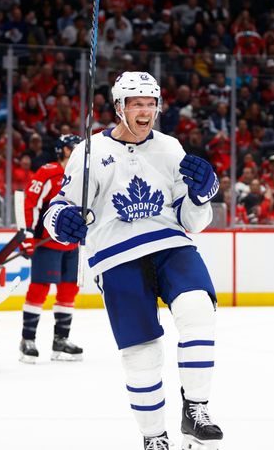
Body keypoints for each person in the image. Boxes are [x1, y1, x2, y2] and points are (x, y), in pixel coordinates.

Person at [43, 72, 223, 450]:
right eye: (136, 103)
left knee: (197, 309)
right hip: (115, 254)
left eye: (150, 103)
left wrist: (201, 196)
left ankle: (196, 409)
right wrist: (62, 221)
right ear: (119, 107)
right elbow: (61, 208)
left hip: (171, 245)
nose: (145, 111)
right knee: (142, 353)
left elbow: (193, 222)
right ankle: (154, 436)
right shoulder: (89, 151)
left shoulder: (170, 147)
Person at [18, 134, 84, 363]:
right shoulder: (49, 172)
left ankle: (60, 340)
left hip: (73, 244)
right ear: (64, 150)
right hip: (47, 243)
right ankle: (28, 340)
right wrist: (26, 233)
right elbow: (30, 203)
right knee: (39, 289)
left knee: (68, 291)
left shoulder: (84, 174)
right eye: (74, 146)